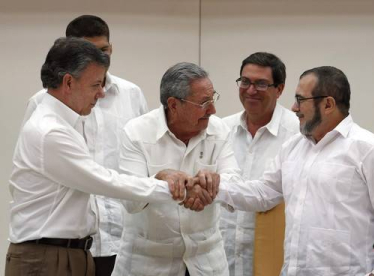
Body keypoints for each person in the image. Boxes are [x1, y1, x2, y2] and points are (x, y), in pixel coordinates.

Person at [5, 37, 190, 276]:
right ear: (68, 82)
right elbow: (104, 180)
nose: (102, 94)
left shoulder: (66, 122)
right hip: (46, 258)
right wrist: (174, 189)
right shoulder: (50, 131)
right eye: (95, 85)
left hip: (70, 253)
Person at [211, 66, 374, 276]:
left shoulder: (370, 150)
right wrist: (212, 187)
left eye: (300, 99)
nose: (294, 107)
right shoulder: (292, 147)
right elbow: (261, 193)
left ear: (328, 104)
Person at [20, 15, 149, 276]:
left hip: (122, 239)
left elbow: (144, 157)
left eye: (103, 50)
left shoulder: (132, 94)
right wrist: (167, 187)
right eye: (87, 51)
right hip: (67, 244)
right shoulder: (43, 104)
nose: (98, 57)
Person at [112, 62, 241, 276]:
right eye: (204, 102)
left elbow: (236, 184)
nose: (213, 110)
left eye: (213, 98)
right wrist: (159, 179)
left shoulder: (219, 130)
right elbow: (130, 200)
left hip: (206, 262)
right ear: (173, 105)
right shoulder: (136, 132)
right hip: (148, 263)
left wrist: (211, 184)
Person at [219, 52, 298, 276]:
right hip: (224, 258)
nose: (251, 90)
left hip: (274, 261)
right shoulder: (221, 130)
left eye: (261, 84)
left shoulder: (298, 134)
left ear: (279, 89)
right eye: (245, 82)